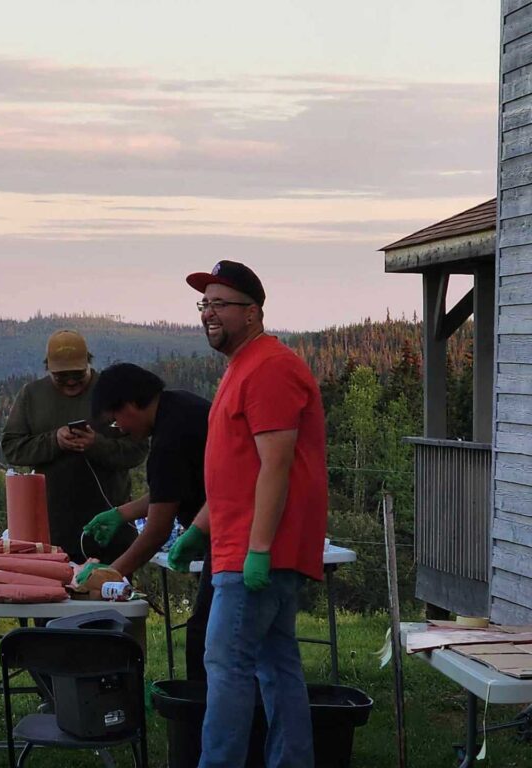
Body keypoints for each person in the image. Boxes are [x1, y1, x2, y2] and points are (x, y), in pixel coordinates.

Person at [182, 260, 328, 768]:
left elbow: (277, 465)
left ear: (254, 312)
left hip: (254, 551)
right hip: (239, 544)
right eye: (204, 304)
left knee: (226, 663)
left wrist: (259, 550)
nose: (208, 313)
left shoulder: (269, 367)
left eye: (220, 304)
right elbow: (238, 470)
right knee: (275, 662)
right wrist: (198, 530)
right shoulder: (241, 367)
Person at [81, 363, 212, 679]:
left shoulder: (168, 440)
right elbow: (168, 493)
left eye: (116, 421)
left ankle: (203, 716)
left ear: (130, 405)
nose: (120, 429)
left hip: (236, 537)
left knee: (205, 637)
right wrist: (121, 513)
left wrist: (112, 573)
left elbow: (156, 532)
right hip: (239, 529)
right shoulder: (180, 406)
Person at [1, 330, 148, 562]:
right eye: (62, 376)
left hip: (111, 527)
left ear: (89, 362)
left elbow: (138, 450)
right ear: (47, 368)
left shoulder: (112, 392)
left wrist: (95, 444)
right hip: (51, 529)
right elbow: (11, 448)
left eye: (77, 374)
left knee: (110, 591)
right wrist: (54, 441)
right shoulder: (32, 395)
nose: (70, 381)